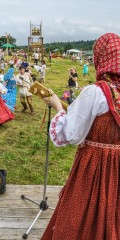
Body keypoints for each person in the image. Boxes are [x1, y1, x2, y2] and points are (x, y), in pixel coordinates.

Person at [41, 33, 120, 240]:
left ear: (100, 58)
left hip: (94, 166)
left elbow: (71, 134)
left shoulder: (97, 92)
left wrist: (57, 105)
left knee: (81, 215)